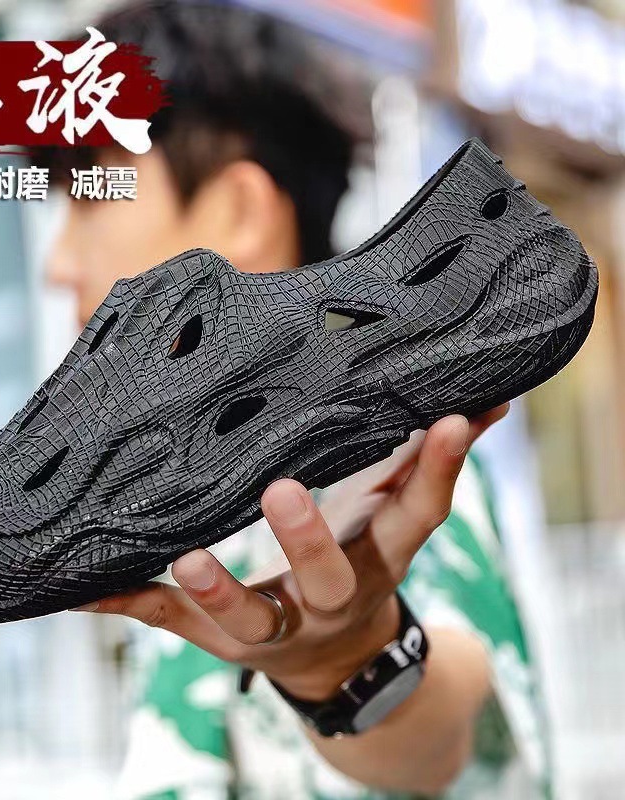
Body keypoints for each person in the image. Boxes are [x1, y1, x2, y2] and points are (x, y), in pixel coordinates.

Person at [34, 2, 550, 797]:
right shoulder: (196, 484)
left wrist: (348, 667)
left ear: (239, 210)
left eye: (91, 198)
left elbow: (449, 733)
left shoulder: (380, 445)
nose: (59, 263)